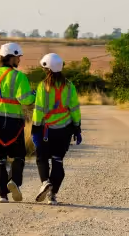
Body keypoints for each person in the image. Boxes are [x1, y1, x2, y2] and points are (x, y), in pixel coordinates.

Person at [0, 42, 34, 203]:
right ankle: (14, 181)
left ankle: (2, 195)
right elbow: (25, 99)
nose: (19, 60)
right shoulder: (19, 77)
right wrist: (33, 96)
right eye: (18, 57)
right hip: (14, 122)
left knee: (0, 159)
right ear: (11, 57)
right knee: (19, 156)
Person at [31, 52, 82, 205]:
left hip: (46, 129)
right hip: (65, 130)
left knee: (42, 158)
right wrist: (77, 127)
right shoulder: (70, 85)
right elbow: (74, 108)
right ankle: (52, 196)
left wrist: (35, 128)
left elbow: (39, 109)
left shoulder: (43, 86)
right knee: (57, 161)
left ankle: (45, 182)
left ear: (47, 69)